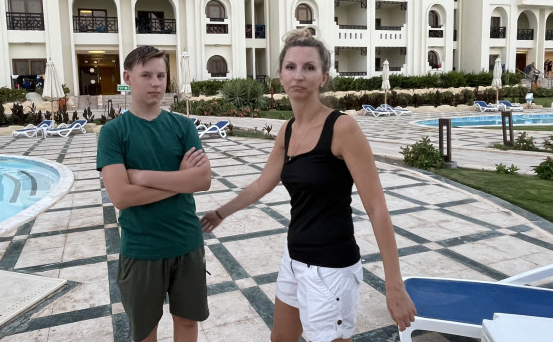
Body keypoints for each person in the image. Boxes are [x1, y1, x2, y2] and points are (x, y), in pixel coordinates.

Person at [201, 27, 416, 342]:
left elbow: (376, 207)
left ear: (323, 77)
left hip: (331, 268)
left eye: (309, 67)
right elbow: (262, 184)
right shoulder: (287, 130)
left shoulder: (342, 128)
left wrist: (394, 284)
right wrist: (221, 213)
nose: (298, 75)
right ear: (280, 76)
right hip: (294, 258)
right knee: (281, 338)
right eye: (291, 67)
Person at [97, 45, 211, 342]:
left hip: (186, 242)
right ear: (128, 78)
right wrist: (180, 180)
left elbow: (202, 180)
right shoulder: (113, 132)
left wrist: (143, 177)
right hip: (141, 247)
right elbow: (121, 197)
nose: (156, 83)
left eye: (161, 75)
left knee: (187, 322)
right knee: (145, 331)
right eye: (146, 75)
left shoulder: (182, 126)